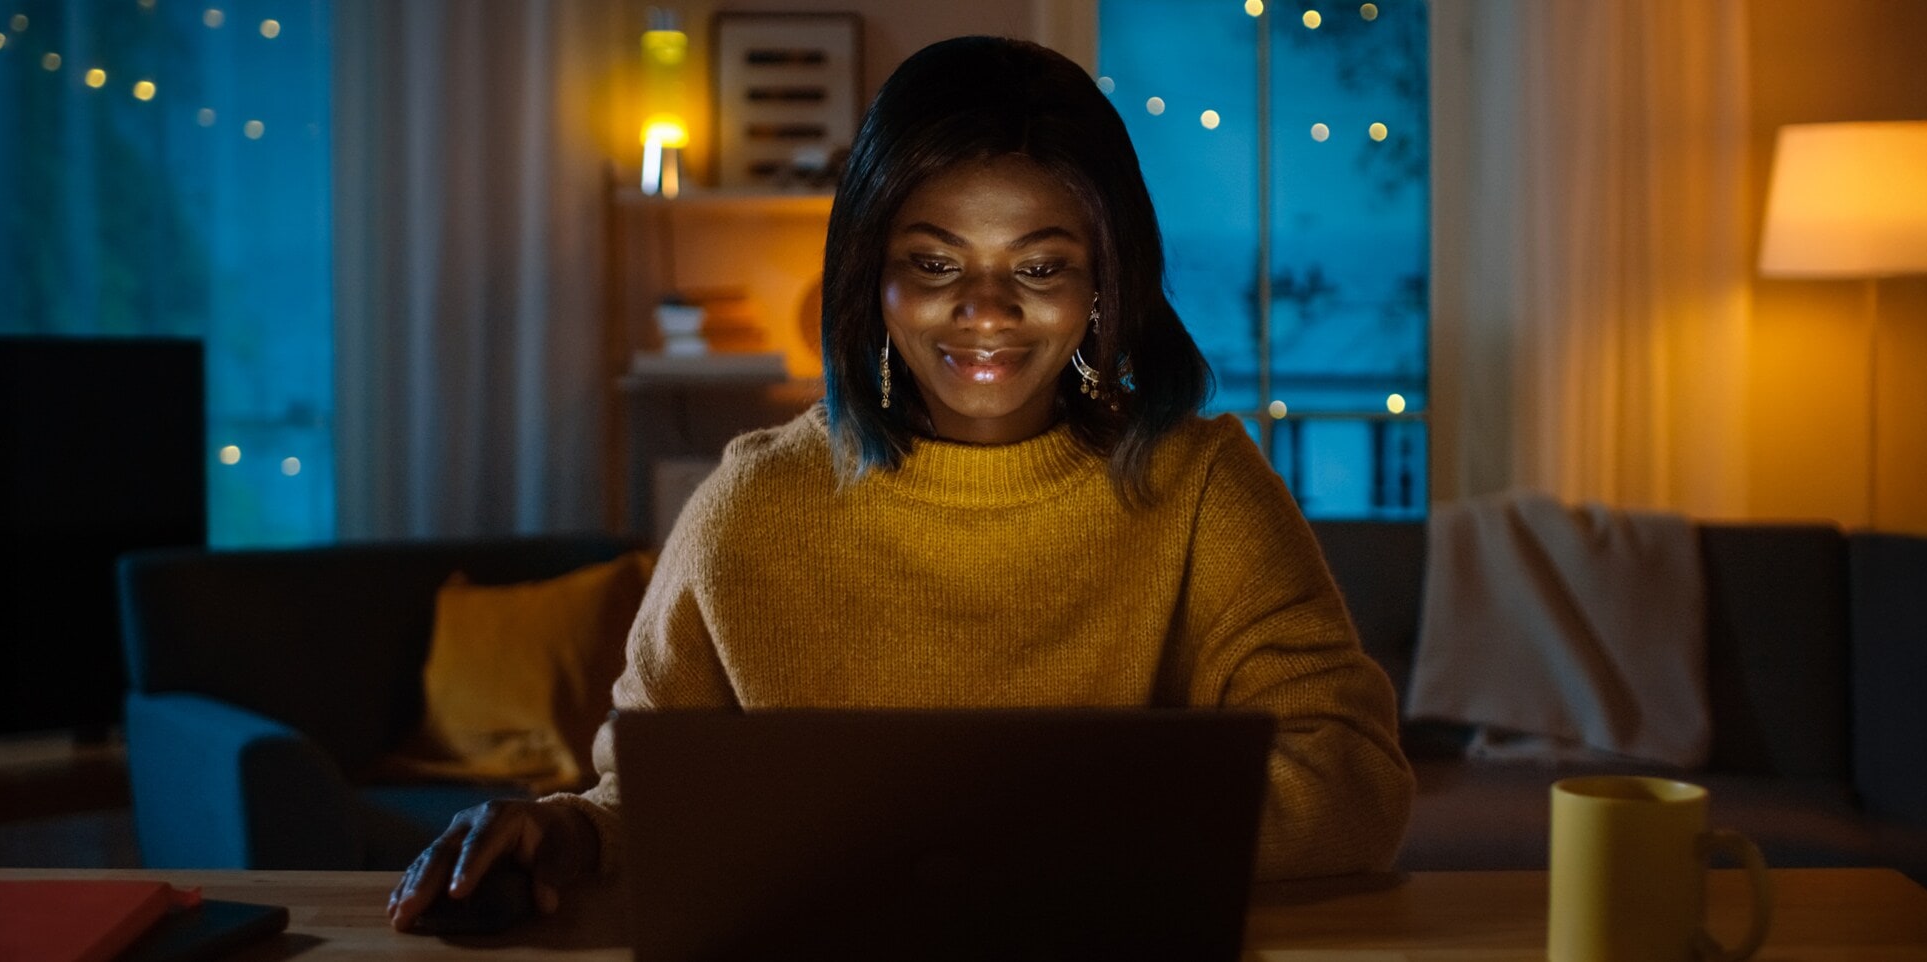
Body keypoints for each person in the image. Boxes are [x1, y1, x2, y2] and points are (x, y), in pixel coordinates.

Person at [388, 35, 1412, 932]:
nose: (984, 309)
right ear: (869, 277)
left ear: (1106, 284)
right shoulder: (749, 510)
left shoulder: (1200, 489)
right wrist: (557, 831)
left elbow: (1356, 783)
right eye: (933, 264)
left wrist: (1014, 839)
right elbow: (643, 799)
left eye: (1040, 268)